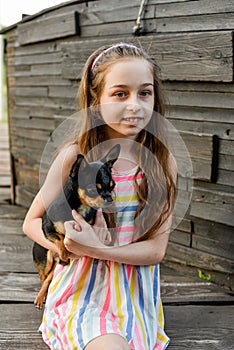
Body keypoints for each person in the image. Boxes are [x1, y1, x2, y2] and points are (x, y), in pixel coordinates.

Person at [23, 42, 177, 350]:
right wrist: (65, 246)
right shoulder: (74, 158)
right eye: (120, 93)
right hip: (80, 292)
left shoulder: (161, 163)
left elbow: (156, 250)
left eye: (144, 93)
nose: (135, 104)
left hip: (134, 296)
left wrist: (98, 248)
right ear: (96, 100)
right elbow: (32, 222)